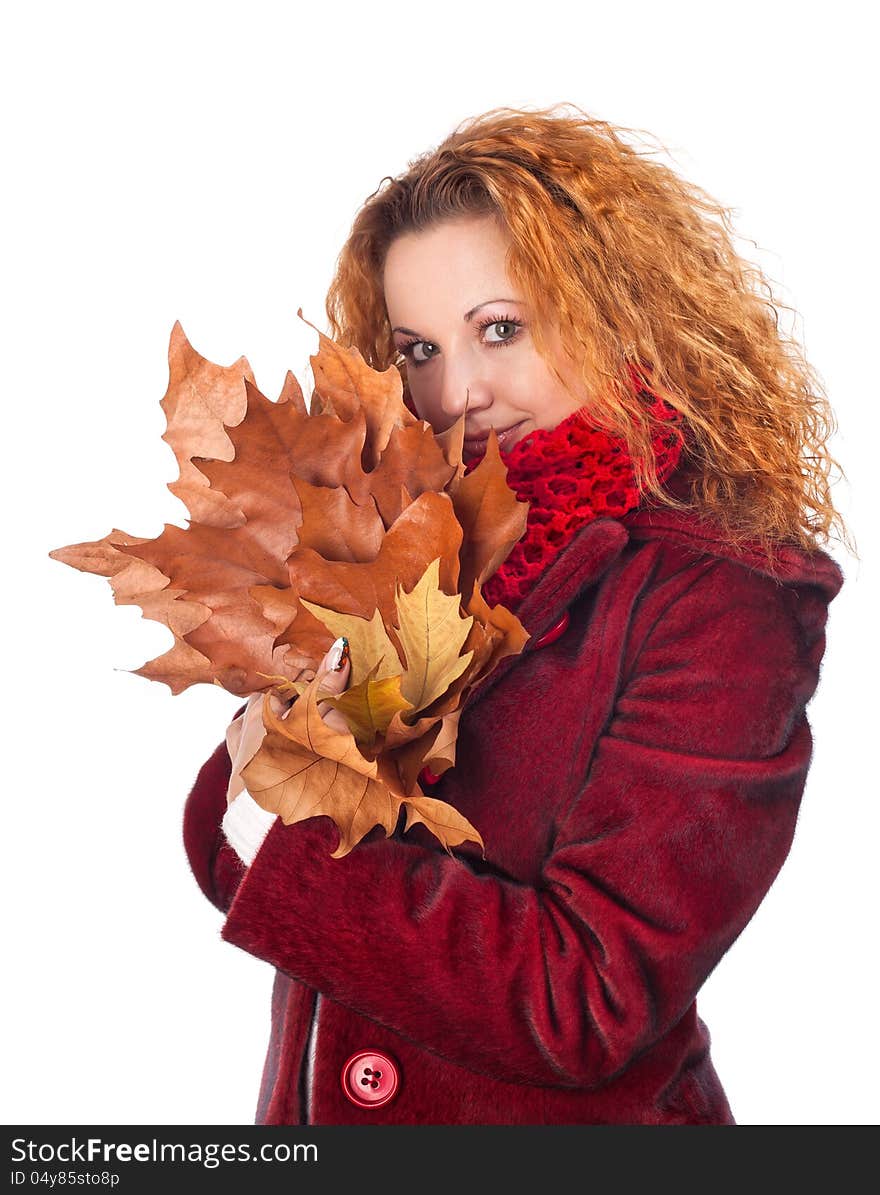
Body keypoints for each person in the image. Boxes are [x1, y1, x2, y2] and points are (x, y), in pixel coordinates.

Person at [182, 103, 852, 1125]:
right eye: (417, 350)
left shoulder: (721, 598)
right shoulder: (416, 538)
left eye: (500, 328)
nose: (457, 390)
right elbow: (233, 843)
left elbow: (586, 996)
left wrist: (280, 821)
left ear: (616, 315)